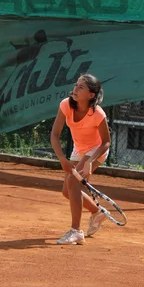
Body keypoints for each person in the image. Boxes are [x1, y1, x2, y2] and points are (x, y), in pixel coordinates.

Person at [50, 74, 111, 245]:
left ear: (91, 95)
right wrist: (62, 158)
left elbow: (106, 142)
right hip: (79, 148)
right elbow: (54, 135)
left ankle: (76, 231)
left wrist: (90, 161)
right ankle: (97, 212)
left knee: (72, 181)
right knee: (67, 191)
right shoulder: (66, 105)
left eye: (81, 87)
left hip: (95, 151)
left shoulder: (98, 114)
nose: (75, 89)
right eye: (76, 85)